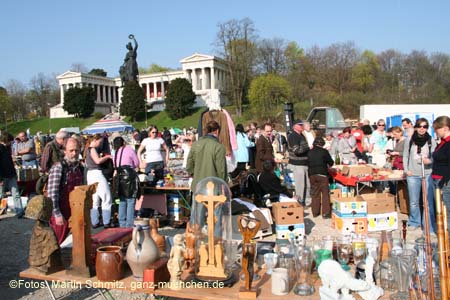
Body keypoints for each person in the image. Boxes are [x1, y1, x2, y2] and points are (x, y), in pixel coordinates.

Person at [186, 120, 227, 223]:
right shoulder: (219, 147)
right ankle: (216, 238)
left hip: (198, 184)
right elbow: (221, 170)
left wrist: (195, 175)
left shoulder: (196, 144)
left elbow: (189, 166)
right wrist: (223, 185)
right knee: (216, 219)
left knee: (196, 218)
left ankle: (194, 237)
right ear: (217, 131)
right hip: (214, 186)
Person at [48, 138, 84, 244]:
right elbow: (51, 194)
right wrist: (57, 214)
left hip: (75, 211)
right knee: (56, 243)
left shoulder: (79, 168)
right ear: (65, 151)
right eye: (71, 150)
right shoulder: (59, 168)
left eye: (76, 150)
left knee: (76, 243)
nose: (74, 153)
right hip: (61, 212)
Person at [402, 118, 436, 233]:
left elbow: (435, 157)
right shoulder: (409, 140)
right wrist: (406, 170)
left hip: (427, 173)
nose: (422, 128)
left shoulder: (431, 140)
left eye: (425, 126)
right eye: (420, 126)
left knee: (427, 201)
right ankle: (414, 221)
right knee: (414, 201)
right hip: (412, 174)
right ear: (416, 127)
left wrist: (429, 161)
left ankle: (428, 225)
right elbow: (405, 156)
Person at [85, 134, 114, 228]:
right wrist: (108, 157)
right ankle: (106, 221)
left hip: (90, 174)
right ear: (95, 140)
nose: (100, 144)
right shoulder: (92, 149)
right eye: (100, 142)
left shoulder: (86, 150)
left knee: (95, 199)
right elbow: (97, 161)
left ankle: (95, 221)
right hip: (97, 173)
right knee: (106, 197)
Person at [113, 136, 139, 228]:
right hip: (129, 176)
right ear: (124, 142)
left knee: (122, 200)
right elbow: (136, 163)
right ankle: (129, 224)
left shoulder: (116, 152)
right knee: (131, 200)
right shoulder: (129, 150)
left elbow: (115, 165)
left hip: (119, 177)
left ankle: (122, 223)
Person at [431, 115, 450, 232]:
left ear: (445, 128)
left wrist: (444, 180)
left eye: (437, 129)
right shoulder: (442, 142)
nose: (435, 131)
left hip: (445, 181)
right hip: (437, 179)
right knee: (440, 211)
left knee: (447, 211)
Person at [308, 137, 334, 218]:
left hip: (312, 174)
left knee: (315, 194)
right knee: (325, 194)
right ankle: (326, 213)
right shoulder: (324, 151)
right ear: (322, 144)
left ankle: (315, 212)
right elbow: (331, 162)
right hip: (322, 174)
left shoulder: (309, 152)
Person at [0, 133, 24, 218]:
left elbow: (10, 162)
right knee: (1, 195)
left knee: (16, 193)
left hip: (11, 175)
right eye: (10, 141)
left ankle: (20, 211)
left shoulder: (8, 148)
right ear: (7, 140)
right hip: (3, 176)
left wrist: (14, 173)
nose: (12, 142)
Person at [287, 119, 311, 205]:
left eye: (302, 125)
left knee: (308, 185)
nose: (302, 126)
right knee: (300, 186)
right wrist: (309, 148)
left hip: (304, 163)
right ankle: (299, 202)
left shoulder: (302, 135)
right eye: (300, 125)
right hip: (297, 165)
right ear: (295, 126)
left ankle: (307, 202)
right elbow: (297, 151)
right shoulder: (293, 136)